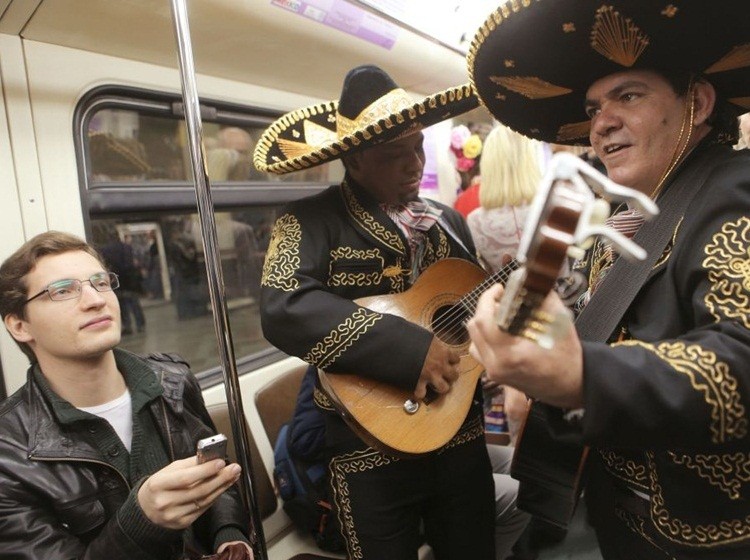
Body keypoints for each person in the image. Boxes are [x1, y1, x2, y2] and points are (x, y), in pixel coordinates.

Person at [466, 1, 750, 559]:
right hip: (611, 509)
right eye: (595, 106)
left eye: (629, 95)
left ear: (697, 101)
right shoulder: (627, 212)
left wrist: (579, 374)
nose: (601, 122)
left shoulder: (734, 193)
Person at [254, 65, 498, 559]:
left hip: (459, 430)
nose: (414, 164)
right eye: (394, 155)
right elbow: (283, 306)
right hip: (367, 445)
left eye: (418, 147)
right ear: (356, 159)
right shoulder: (308, 222)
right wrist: (408, 349)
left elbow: (466, 306)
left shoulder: (447, 221)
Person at [0, 231, 253, 560]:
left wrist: (228, 533)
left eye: (100, 283)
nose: (95, 299)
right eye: (63, 291)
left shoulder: (173, 382)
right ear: (20, 326)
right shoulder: (10, 454)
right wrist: (140, 522)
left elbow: (214, 476)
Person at [466, 124, 541, 273]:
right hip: (563, 294)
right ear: (530, 159)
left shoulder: (476, 221)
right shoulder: (553, 207)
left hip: (504, 295)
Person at [101, 233, 147, 335]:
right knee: (134, 303)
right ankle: (140, 325)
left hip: (116, 280)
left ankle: (127, 326)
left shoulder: (105, 250)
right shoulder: (127, 247)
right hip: (129, 280)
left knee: (122, 305)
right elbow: (130, 264)